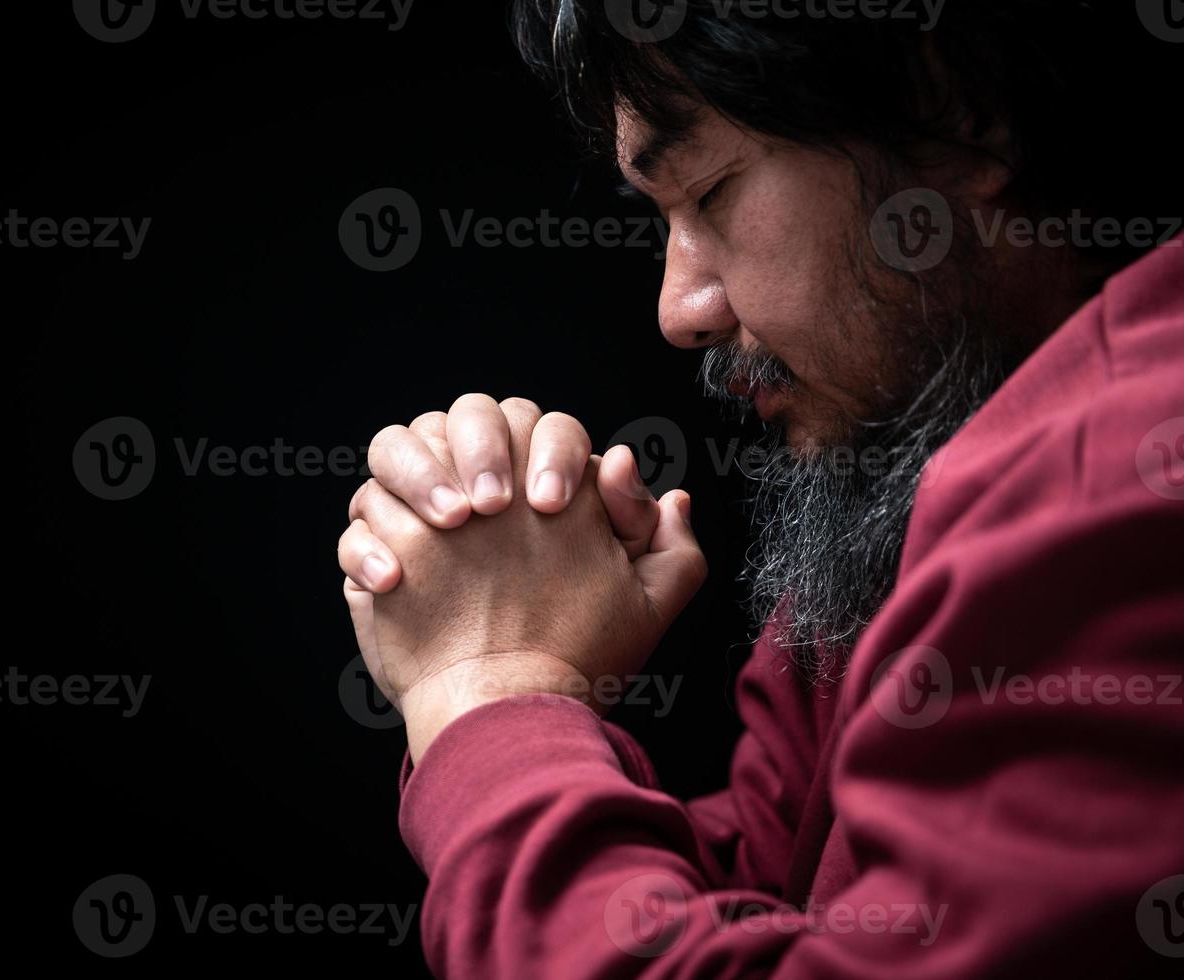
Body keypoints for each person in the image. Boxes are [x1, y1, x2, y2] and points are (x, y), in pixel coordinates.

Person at [335, 2, 1184, 974]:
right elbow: (785, 889)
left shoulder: (1122, 488)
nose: (680, 309)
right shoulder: (921, 475)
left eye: (711, 192)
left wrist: (488, 702)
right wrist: (537, 695)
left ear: (954, 109)